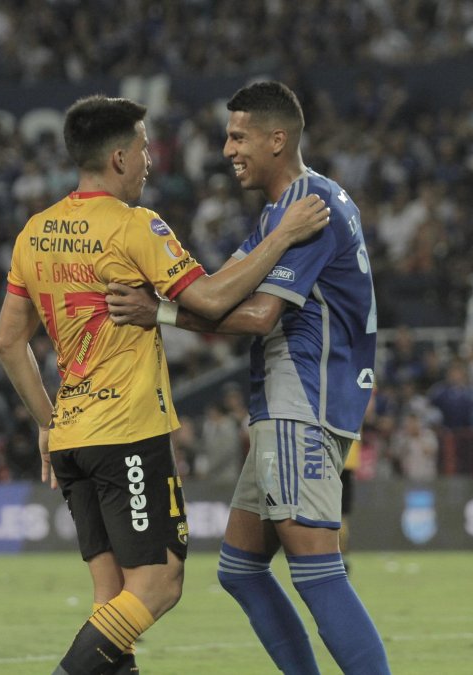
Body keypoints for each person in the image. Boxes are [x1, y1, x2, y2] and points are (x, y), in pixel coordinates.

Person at [0, 94, 330, 675]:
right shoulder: (135, 226)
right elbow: (214, 300)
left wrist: (47, 423)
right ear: (120, 157)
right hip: (125, 432)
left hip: (72, 435)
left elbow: (8, 342)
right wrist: (282, 237)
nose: (151, 160)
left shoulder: (35, 232)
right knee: (160, 584)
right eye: (146, 149)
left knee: (113, 602)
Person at [107, 81, 390, 675]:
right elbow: (215, 292)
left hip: (302, 399)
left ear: (276, 138)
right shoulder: (286, 211)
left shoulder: (307, 210)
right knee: (239, 567)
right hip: (288, 404)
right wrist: (168, 292)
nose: (228, 148)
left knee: (317, 571)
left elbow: (259, 315)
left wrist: (157, 311)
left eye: (239, 136)